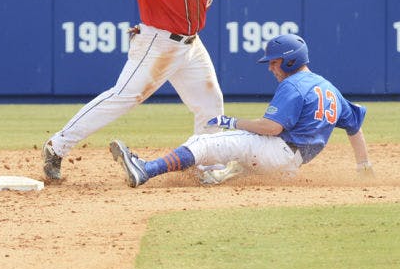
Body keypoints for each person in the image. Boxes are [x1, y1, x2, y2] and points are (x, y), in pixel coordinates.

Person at [42, 0, 232, 181]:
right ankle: (57, 146)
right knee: (123, 96)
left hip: (192, 44)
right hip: (158, 43)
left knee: (210, 103)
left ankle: (208, 168)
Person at [109, 33, 373, 188]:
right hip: (290, 167)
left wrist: (232, 121)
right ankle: (215, 175)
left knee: (203, 141)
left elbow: (272, 128)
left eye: (275, 62)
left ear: (292, 60)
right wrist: (364, 166)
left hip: (276, 151)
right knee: (229, 163)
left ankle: (145, 169)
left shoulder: (294, 85)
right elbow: (355, 127)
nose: (271, 67)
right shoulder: (330, 90)